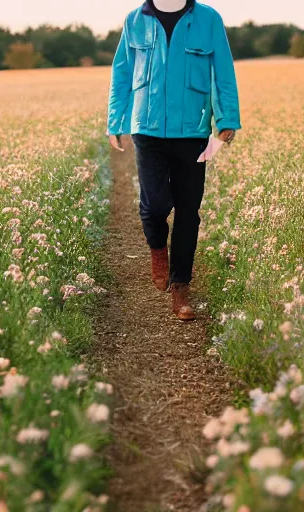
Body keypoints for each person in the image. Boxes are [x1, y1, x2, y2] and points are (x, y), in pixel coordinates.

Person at [107, 0, 241, 321]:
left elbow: (223, 70)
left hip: (192, 130)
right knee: (154, 206)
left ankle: (181, 287)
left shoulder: (208, 19)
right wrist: (116, 121)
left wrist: (227, 119)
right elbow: (122, 73)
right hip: (146, 128)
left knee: (188, 210)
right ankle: (157, 248)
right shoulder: (135, 20)